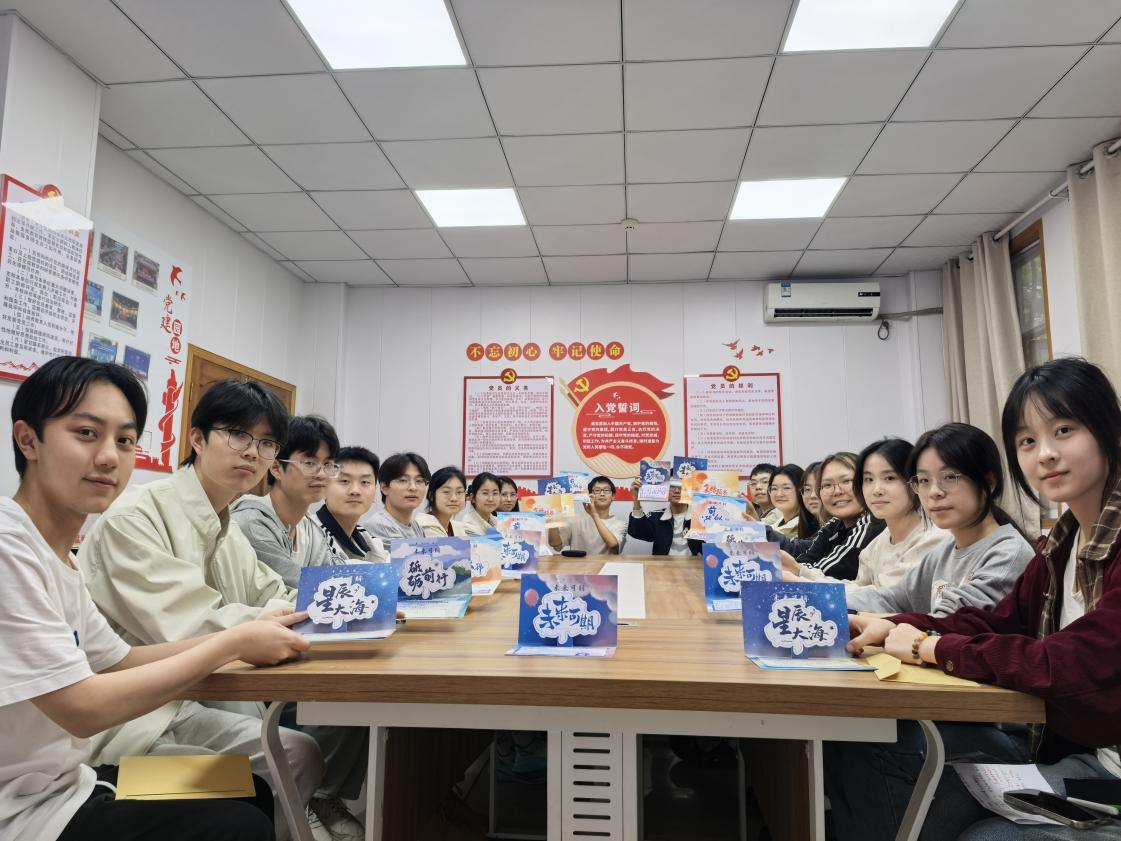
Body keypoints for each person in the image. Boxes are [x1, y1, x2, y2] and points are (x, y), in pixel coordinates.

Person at [3, 356, 309, 841]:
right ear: (28, 440)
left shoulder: (61, 557)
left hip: (68, 782)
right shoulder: (11, 544)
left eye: (125, 441)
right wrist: (235, 641)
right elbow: (83, 707)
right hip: (27, 808)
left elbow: (119, 661)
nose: (109, 457)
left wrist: (256, 630)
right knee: (242, 818)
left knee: (255, 790)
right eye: (87, 433)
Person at [830, 357, 1121, 841]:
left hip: (1099, 764)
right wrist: (898, 625)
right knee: (863, 745)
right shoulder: (1061, 545)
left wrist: (930, 645)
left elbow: (1072, 660)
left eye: (1064, 430)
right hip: (1075, 750)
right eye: (1027, 441)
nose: (1046, 454)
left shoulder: (1021, 548)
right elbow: (997, 621)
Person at [77, 380, 355, 841]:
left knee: (299, 755)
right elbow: (197, 625)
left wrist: (351, 608)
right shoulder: (137, 517)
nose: (252, 452)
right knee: (265, 774)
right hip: (131, 724)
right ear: (197, 438)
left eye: (266, 442)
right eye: (238, 434)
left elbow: (271, 592)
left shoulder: (225, 524)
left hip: (192, 701)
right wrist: (313, 616)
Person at [846, 425, 1034, 616]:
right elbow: (892, 599)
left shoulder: (1007, 555)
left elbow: (950, 622)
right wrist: (830, 601)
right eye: (924, 480)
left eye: (950, 477)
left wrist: (882, 624)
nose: (934, 492)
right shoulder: (943, 553)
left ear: (989, 482)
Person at [791, 439, 947, 591]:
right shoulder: (876, 545)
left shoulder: (933, 540)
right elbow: (860, 588)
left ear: (915, 482)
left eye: (889, 478)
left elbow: (884, 598)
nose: (876, 490)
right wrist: (799, 571)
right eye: (868, 479)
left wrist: (799, 576)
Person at [231, 415, 342, 588]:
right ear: (276, 468)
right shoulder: (252, 523)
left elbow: (338, 576)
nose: (321, 474)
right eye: (309, 463)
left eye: (328, 464)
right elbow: (301, 588)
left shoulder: (311, 528)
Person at [773, 452, 885, 580]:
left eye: (846, 481)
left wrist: (797, 570)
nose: (837, 491)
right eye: (827, 485)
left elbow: (828, 572)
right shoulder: (835, 524)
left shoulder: (871, 524)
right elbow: (805, 559)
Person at [315, 446, 387, 562]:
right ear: (323, 488)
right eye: (344, 481)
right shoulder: (311, 536)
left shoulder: (368, 539)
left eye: (365, 482)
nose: (355, 491)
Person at [362, 452, 430, 551]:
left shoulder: (415, 526)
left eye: (419, 481)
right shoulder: (380, 525)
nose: (413, 487)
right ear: (384, 488)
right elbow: (409, 558)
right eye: (403, 480)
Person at [550, 475, 627, 555]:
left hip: (606, 563)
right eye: (597, 490)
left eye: (606, 490)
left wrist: (594, 515)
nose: (602, 494)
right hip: (578, 563)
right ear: (589, 495)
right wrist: (553, 515)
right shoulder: (575, 520)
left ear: (613, 496)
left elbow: (613, 545)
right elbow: (555, 544)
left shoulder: (620, 525)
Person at [628, 478, 701, 556]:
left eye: (682, 487)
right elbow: (638, 532)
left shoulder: (700, 517)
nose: (677, 491)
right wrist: (636, 498)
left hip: (693, 563)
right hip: (663, 563)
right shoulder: (656, 516)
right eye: (672, 486)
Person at [416, 466, 471, 538]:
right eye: (446, 492)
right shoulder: (423, 527)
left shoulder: (457, 527)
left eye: (459, 492)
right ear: (431, 496)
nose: (454, 498)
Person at [767, 464, 817, 540]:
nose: (779, 494)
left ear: (802, 490)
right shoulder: (777, 523)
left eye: (786, 488)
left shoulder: (808, 528)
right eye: (774, 488)